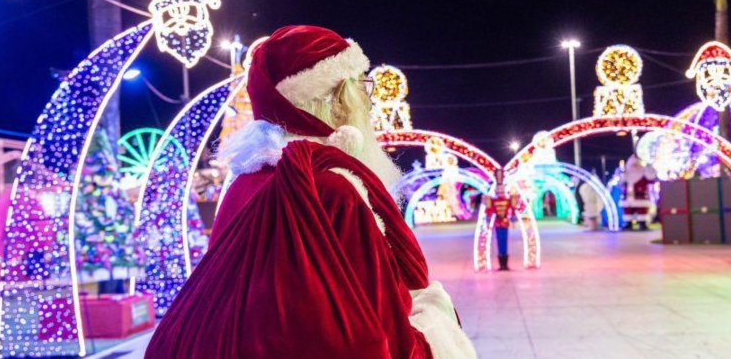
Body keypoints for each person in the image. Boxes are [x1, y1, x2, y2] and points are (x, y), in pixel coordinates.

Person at [145, 26, 476, 358]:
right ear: (337, 99)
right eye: (361, 86)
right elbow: (384, 329)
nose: (368, 101)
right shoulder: (335, 189)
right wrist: (437, 323)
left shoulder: (242, 182)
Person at [483, 170, 519, 271]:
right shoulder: (493, 200)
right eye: (498, 189)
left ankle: (505, 264)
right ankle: (501, 264)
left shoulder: (508, 199)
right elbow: (489, 210)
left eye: (501, 189)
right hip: (497, 223)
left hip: (505, 222)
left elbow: (513, 209)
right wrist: (488, 220)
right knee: (499, 242)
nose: (500, 191)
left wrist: (513, 219)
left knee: (504, 241)